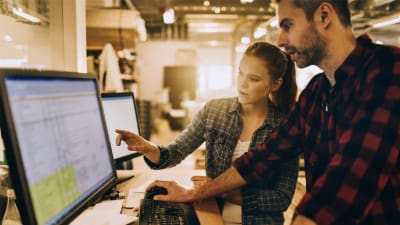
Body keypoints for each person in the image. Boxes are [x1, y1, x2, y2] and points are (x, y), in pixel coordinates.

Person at [144, 0, 400, 225]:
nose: (280, 40)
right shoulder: (317, 92)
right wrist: (194, 193)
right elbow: (262, 158)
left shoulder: (388, 70)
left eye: (288, 25)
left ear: (324, 16)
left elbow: (347, 181)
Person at [116, 42, 299, 225]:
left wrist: (220, 190)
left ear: (275, 84)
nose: (242, 84)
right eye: (240, 73)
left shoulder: (285, 127)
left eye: (253, 78)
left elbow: (281, 199)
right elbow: (173, 153)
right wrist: (147, 147)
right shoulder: (214, 111)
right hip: (210, 212)